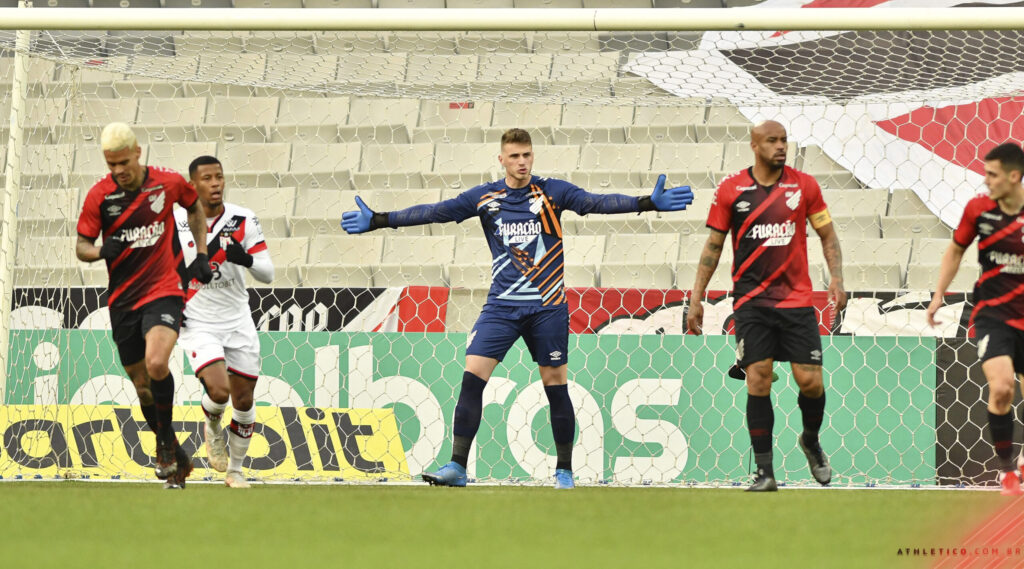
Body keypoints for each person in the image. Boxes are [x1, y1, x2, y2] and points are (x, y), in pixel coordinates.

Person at [341, 128, 693, 489]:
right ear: (502, 159)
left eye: (526, 155)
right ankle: (458, 466)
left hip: (547, 307)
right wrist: (380, 220)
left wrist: (647, 203)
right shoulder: (485, 198)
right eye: (514, 156)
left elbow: (595, 202)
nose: (522, 162)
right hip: (501, 307)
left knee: (555, 385)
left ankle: (564, 471)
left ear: (532, 156)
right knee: (472, 377)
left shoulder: (553, 191)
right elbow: (436, 212)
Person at [685, 120, 846, 492]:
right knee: (758, 378)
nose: (781, 147)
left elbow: (827, 234)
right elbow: (713, 246)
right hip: (752, 303)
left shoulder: (804, 186)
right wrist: (697, 298)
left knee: (810, 382)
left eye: (784, 140)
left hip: (796, 301)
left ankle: (810, 439)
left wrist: (836, 278)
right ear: (755, 145)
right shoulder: (731, 189)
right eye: (772, 141)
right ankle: (764, 472)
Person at [76, 122, 213, 489]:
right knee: (141, 386)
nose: (118, 171)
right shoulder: (99, 197)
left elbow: (195, 208)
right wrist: (101, 251)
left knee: (156, 363)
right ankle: (172, 449)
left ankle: (163, 447)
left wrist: (200, 253)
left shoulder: (166, 183)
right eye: (111, 165)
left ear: (138, 152)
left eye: (123, 162)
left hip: (164, 288)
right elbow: (81, 246)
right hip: (123, 301)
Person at [927, 142, 1024, 496]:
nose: (986, 181)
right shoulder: (979, 210)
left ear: (1014, 176)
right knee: (1001, 388)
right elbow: (955, 250)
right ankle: (1007, 471)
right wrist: (939, 294)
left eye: (992, 174)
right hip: (993, 315)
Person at [176, 155, 274, 489]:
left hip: (237, 320)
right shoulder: (176, 221)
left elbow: (267, 273)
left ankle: (235, 470)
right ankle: (213, 425)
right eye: (207, 178)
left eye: (219, 177)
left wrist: (244, 258)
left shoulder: (243, 219)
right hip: (197, 320)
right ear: (193, 185)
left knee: (243, 401)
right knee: (219, 390)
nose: (216, 183)